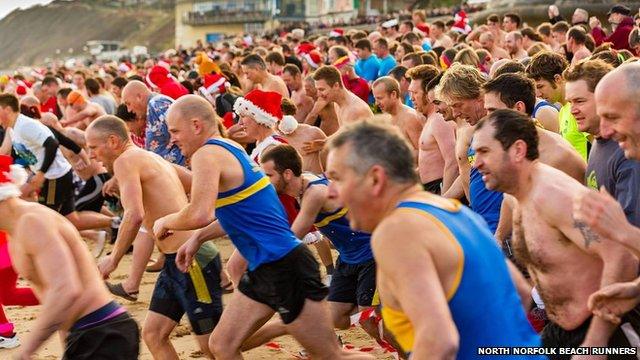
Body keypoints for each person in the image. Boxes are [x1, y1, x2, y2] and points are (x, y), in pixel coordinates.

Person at [155, 95, 372, 360]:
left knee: (332, 356)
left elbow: (199, 212)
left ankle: (291, 325)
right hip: (264, 267)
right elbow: (237, 213)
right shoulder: (228, 148)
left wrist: (164, 221)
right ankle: (285, 325)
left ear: (196, 125)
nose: (172, 138)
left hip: (286, 265)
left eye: (175, 131)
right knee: (222, 345)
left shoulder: (207, 154)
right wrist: (197, 239)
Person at [324, 120, 542, 359]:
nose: (331, 191)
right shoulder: (452, 210)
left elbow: (439, 341)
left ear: (375, 178)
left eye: (337, 178)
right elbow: (520, 292)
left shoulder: (397, 229)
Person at [472, 109, 639, 354]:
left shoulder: (556, 196)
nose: (476, 163)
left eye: (484, 152)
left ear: (518, 150)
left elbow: (622, 257)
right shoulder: (516, 195)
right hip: (561, 331)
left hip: (602, 331)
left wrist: (595, 344)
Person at [85, 116, 222, 359]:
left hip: (192, 261)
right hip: (175, 261)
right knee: (153, 334)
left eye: (93, 147)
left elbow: (134, 214)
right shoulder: (149, 157)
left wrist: (113, 259)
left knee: (213, 345)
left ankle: (282, 327)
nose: (91, 155)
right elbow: (194, 183)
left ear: (113, 141)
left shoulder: (126, 161)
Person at [0, 154, 139, 359]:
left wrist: (25, 352)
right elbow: (54, 297)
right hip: (84, 332)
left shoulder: (31, 222)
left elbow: (66, 290)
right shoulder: (14, 234)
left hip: (103, 330)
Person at [242, 144, 380, 349]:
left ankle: (406, 353)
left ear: (287, 174)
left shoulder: (314, 192)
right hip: (348, 257)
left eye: (269, 175)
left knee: (367, 318)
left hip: (372, 253)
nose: (266, 181)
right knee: (336, 318)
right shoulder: (298, 186)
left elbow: (292, 238)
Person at [438, 64, 503, 232]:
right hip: (483, 222)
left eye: (458, 105)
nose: (456, 113)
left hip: (502, 227)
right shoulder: (477, 128)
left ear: (478, 96)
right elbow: (468, 172)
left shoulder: (502, 124)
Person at [526, 51, 589, 160]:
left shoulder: (578, 108)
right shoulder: (563, 111)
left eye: (541, 86)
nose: (539, 94)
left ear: (557, 79)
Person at [407, 67, 457, 195]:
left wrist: (444, 198)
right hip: (431, 188)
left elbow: (452, 160)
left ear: (427, 94)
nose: (411, 98)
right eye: (410, 93)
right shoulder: (430, 119)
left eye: (415, 93)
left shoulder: (439, 120)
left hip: (441, 188)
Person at [121, 80, 185, 165]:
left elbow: (184, 137)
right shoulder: (154, 105)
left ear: (139, 97)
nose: (129, 110)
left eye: (128, 103)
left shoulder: (156, 104)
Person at [372, 76, 422, 152]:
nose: (376, 103)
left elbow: (422, 152)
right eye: (375, 99)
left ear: (393, 95)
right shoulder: (385, 118)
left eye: (380, 98)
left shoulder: (410, 118)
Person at [278, 99, 326, 174]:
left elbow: (334, 152)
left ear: (291, 114)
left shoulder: (312, 132)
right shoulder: (274, 140)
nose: (279, 121)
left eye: (281, 117)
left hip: (317, 180)